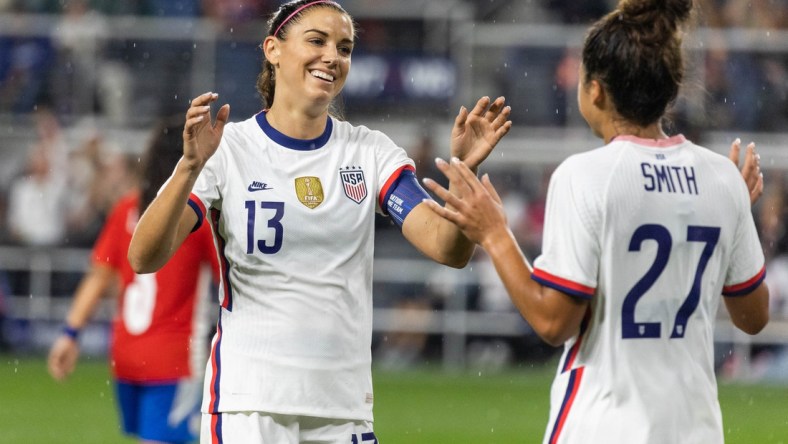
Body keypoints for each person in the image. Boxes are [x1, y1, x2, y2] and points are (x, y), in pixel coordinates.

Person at [127, 1, 512, 442]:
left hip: (342, 407)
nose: (333, 56)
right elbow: (143, 256)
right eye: (317, 40)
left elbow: (447, 248)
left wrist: (463, 171)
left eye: (344, 47)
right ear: (273, 49)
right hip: (252, 402)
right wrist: (189, 168)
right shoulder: (228, 148)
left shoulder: (369, 152)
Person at [422, 0, 769, 443]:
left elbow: (554, 322)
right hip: (694, 429)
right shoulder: (722, 178)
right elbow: (753, 317)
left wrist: (495, 235)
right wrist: (733, 210)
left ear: (596, 91)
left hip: (603, 424)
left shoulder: (585, 175)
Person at [48, 116, 220, 444]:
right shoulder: (196, 217)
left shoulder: (126, 208)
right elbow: (228, 277)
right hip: (175, 358)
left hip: (127, 355)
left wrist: (70, 334)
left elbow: (99, 277)